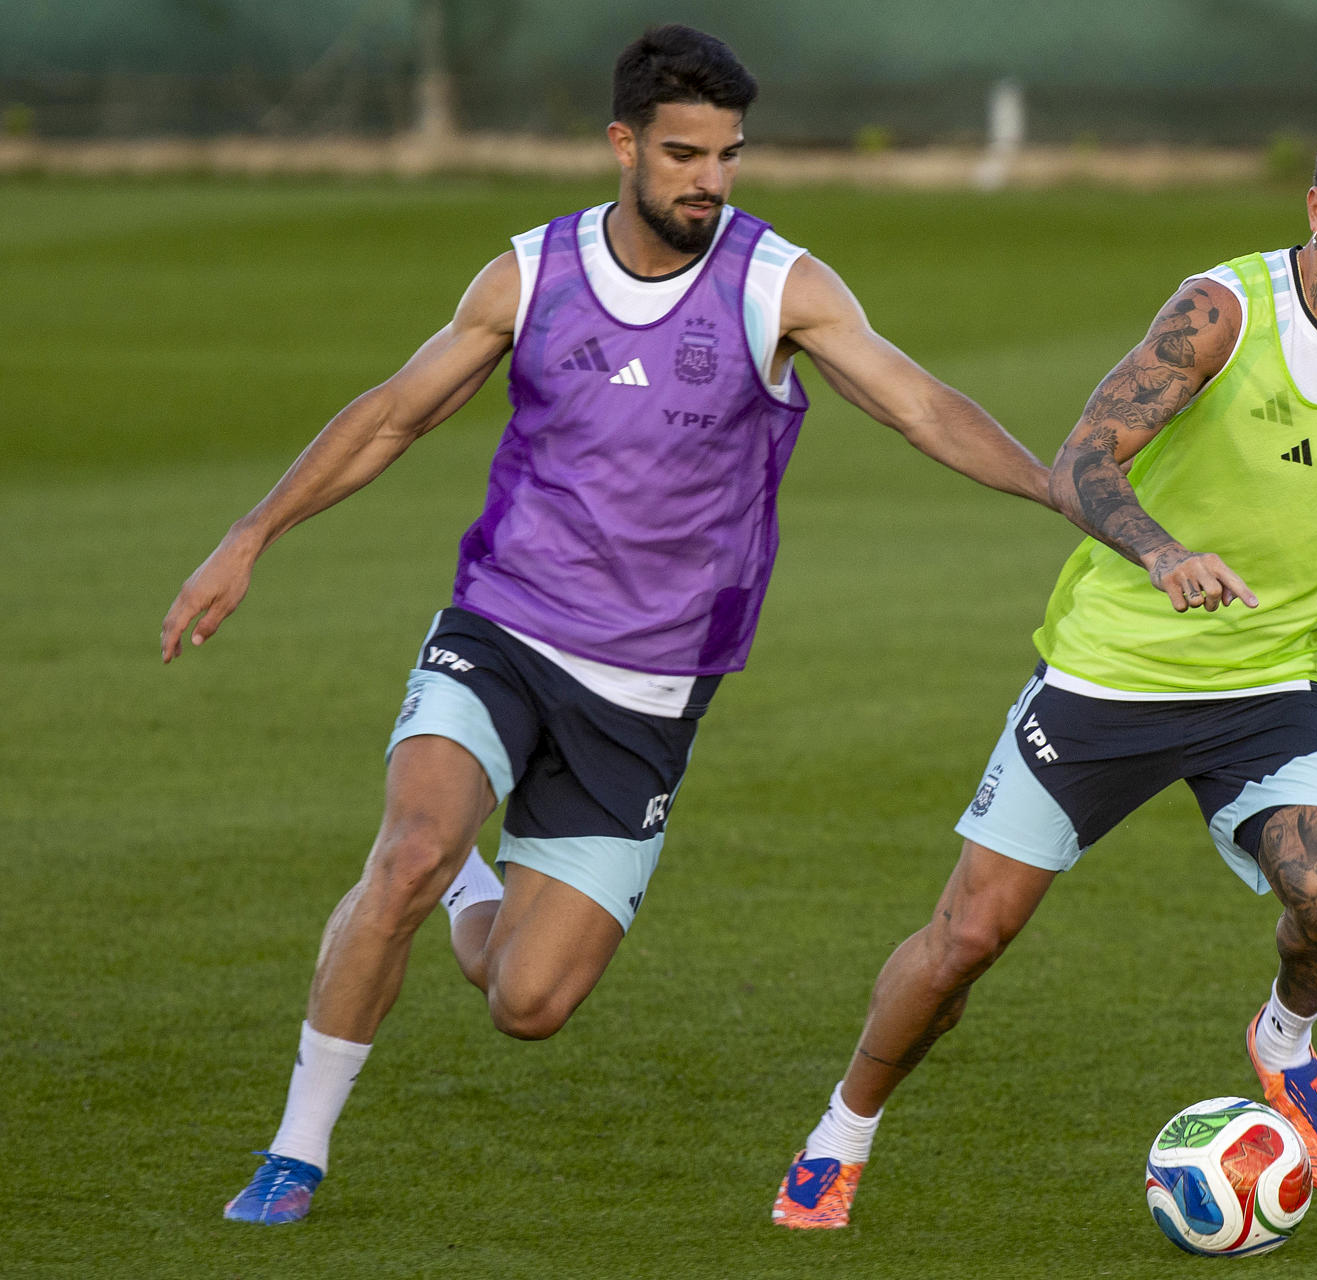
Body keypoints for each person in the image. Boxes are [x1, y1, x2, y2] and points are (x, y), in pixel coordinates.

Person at [161, 25, 1050, 1226]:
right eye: (685, 153)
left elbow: (921, 406)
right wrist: (251, 534)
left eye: (729, 156)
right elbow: (391, 416)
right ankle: (295, 1151)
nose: (710, 180)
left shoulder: (779, 285)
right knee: (408, 851)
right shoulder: (528, 274)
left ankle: (466, 870)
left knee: (526, 999)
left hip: (650, 693)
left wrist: (1066, 491)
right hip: (504, 629)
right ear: (622, 144)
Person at [773, 108, 1317, 1229]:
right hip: (1113, 674)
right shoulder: (1223, 311)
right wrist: (1162, 553)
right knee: (968, 937)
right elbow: (1080, 458)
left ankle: (1284, 1039)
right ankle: (840, 1131)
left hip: (1271, 686)